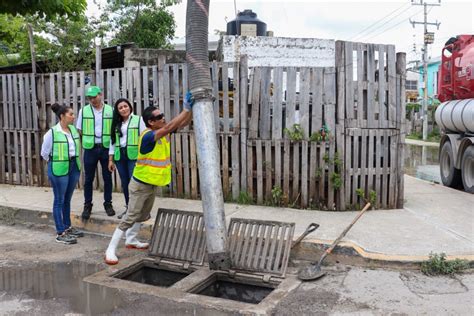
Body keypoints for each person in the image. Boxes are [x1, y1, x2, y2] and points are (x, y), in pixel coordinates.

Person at [104, 92, 194, 265]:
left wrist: (191, 110)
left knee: (143, 215)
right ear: (151, 122)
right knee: (130, 216)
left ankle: (131, 240)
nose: (163, 118)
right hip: (140, 184)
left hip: (152, 183)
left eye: (163, 115)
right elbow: (169, 127)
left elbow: (182, 123)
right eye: (159, 117)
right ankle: (110, 249)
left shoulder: (161, 132)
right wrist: (185, 108)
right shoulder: (147, 136)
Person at [41, 103, 84, 244]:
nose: (73, 116)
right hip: (59, 168)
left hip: (73, 166)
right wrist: (55, 163)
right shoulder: (52, 133)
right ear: (62, 116)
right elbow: (45, 153)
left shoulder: (72, 130)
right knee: (59, 200)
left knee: (67, 199)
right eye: (71, 114)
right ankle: (60, 232)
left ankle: (67, 226)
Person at [76, 86, 116, 220]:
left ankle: (108, 204)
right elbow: (79, 129)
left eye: (94, 96)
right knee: (88, 179)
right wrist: (88, 141)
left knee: (107, 178)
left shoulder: (110, 110)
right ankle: (87, 205)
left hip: (105, 147)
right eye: (90, 97)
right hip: (90, 148)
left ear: (101, 95)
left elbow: (114, 131)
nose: (92, 99)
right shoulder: (84, 110)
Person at [108, 98, 146, 219]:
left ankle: (141, 211)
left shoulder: (138, 120)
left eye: (125, 106)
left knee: (135, 184)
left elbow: (144, 137)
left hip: (134, 156)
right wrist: (110, 159)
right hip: (120, 156)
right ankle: (129, 209)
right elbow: (112, 142)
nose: (123, 109)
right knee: (125, 184)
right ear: (117, 111)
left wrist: (143, 157)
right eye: (120, 108)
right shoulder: (116, 123)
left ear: (130, 107)